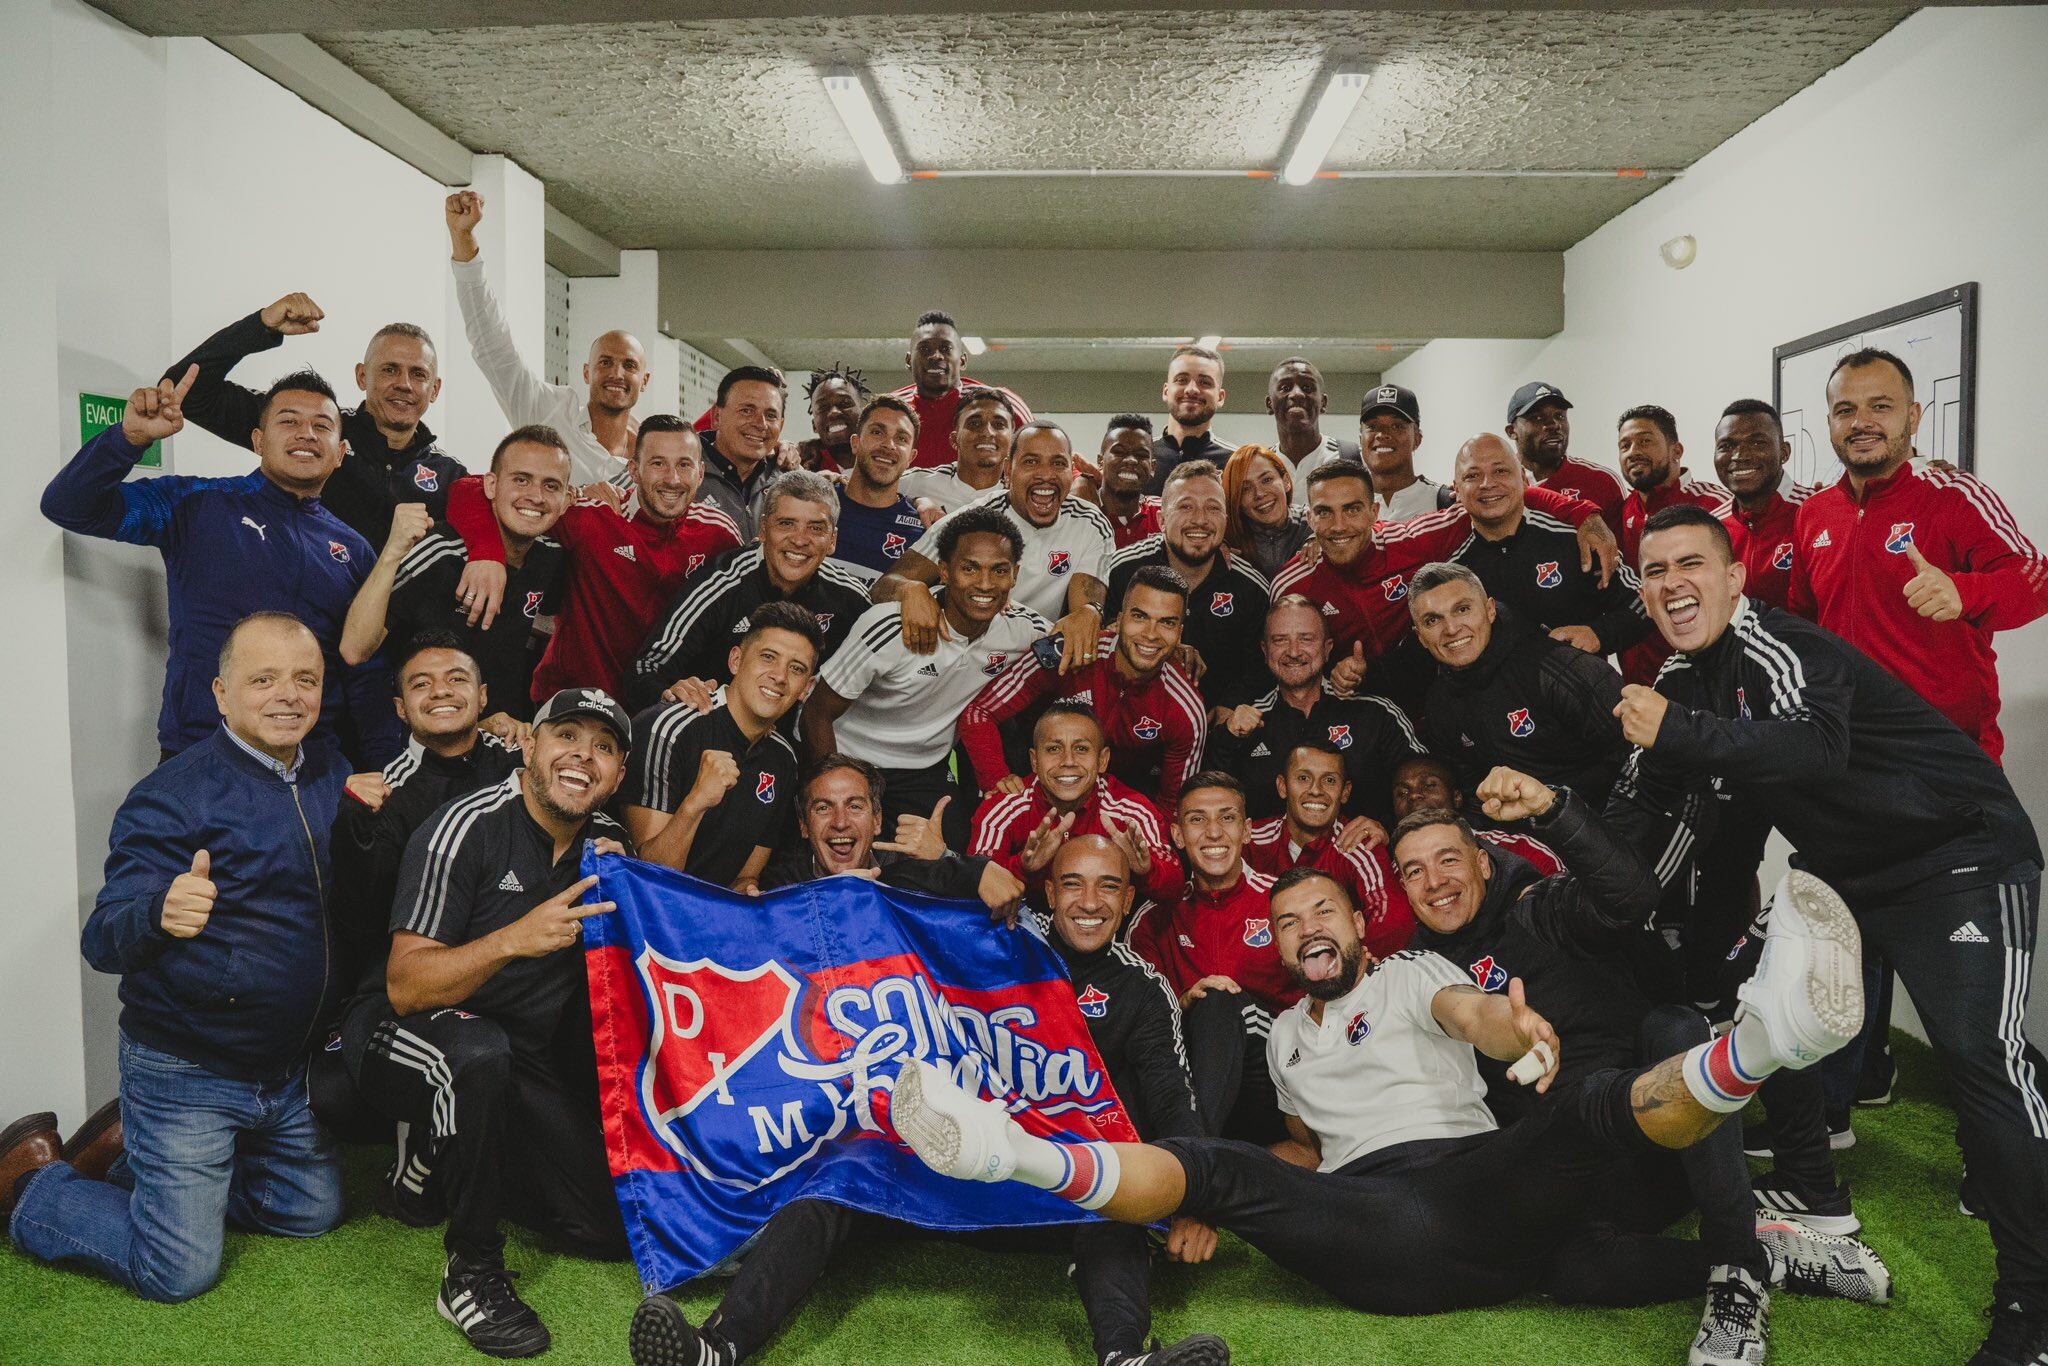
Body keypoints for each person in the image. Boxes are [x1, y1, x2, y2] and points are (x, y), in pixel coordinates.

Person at [888, 855, 1892, 1343]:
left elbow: (1473, 1014)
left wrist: (1515, 1028)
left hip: (1479, 1188)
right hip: (1370, 1233)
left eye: (1323, 911)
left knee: (1585, 1113)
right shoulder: (1282, 1038)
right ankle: (1005, 1150)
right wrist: (1227, 1193)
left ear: (1359, 927)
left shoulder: (1411, 973)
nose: (1306, 929)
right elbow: (1303, 1153)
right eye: (1288, 922)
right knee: (1213, 1165)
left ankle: (1765, 1041)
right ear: (1279, 947)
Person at [1624, 503, 2048, 1364]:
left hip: (1955, 853)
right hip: (1847, 871)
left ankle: (2033, 1310)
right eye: (1655, 571)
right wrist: (1552, 821)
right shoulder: (1681, 681)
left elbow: (1815, 747)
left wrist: (1681, 732)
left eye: (1691, 564)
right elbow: (1660, 807)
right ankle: (1813, 1188)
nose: (1673, 585)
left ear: (1734, 578)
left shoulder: (1782, 646)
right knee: (1762, 1001)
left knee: (1981, 1061)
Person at [628, 835, 1219, 1366]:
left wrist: (1195, 1202)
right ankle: (716, 1348)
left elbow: (1174, 1102)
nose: (1089, 902)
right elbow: (893, 887)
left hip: (1042, 1177)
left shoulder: (1142, 987)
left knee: (1111, 1202)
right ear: (1048, 891)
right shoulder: (998, 931)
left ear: (1128, 900)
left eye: (1108, 887)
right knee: (838, 1172)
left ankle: (1124, 1358)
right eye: (1072, 883)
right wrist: (971, 869)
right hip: (936, 1165)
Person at [1396, 779, 1887, 1363]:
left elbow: (1628, 895)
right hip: (1587, 1164)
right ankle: (1763, 1257)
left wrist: (1556, 809)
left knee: (1677, 1028)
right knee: (1569, 1271)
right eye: (1414, 871)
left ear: (1482, 862)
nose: (1435, 881)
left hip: (1670, 1126)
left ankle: (1736, 1274)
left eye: (1448, 860)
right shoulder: (1419, 973)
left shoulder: (1539, 907)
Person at [6, 614, 348, 1301]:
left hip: (283, 1073)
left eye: (304, 679)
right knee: (178, 1271)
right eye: (263, 679)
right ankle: (30, 1183)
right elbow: (102, 938)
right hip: (189, 1071)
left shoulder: (330, 772)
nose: (288, 694)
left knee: (311, 1212)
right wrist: (159, 911)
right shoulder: (171, 795)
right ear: (221, 694)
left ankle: (143, 1162)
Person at [41, 365, 402, 766]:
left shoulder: (354, 550)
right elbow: (69, 506)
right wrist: (129, 439)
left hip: (312, 766)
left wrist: (385, 771)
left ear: (339, 453)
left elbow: (367, 676)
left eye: (322, 425)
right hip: (201, 755)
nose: (307, 434)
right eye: (289, 421)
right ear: (258, 440)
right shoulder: (196, 503)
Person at [1789, 347, 2048, 763]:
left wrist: (1964, 593)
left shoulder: (1955, 495)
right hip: (1847, 746)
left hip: (1943, 751)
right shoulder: (1813, 513)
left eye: (1880, 406)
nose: (1861, 422)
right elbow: (1803, 622)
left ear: (1913, 417)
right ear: (1830, 422)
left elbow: (2036, 576)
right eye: (1845, 410)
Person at [1271, 461, 1615, 718]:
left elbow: (1493, 498)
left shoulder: (1413, 541)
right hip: (1358, 717)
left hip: (1441, 704)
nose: (1339, 525)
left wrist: (1585, 514)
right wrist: (1334, 678)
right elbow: (1283, 665)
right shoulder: (1291, 585)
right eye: (1324, 513)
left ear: (1374, 512)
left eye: (1352, 509)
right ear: (1309, 519)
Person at [443, 414, 742, 703]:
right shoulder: (594, 516)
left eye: (684, 465)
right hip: (568, 703)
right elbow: (469, 488)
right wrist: (488, 554)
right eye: (657, 463)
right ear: (633, 470)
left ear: (700, 473)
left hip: (659, 708)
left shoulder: (720, 534)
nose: (672, 479)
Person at [804, 506, 1050, 847]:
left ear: (1014, 575)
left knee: (952, 850)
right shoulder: (890, 626)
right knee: (838, 849)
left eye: (999, 571)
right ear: (945, 571)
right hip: (848, 755)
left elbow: (1072, 641)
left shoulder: (1022, 630)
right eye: (969, 568)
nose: (985, 583)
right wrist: (836, 785)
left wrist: (1086, 613)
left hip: (923, 769)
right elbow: (816, 713)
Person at [161, 292, 465, 546]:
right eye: (389, 370)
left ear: (435, 389)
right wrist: (260, 326)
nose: (404, 384)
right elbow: (185, 390)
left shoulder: (452, 477)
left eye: (418, 374)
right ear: (362, 376)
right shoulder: (316, 428)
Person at [329, 631, 525, 995]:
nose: (440, 691)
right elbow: (362, 928)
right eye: (421, 684)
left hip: (526, 975)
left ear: (482, 696)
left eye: (457, 679)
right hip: (430, 986)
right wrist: (355, 829)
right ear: (401, 708)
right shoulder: (383, 798)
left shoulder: (525, 762)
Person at [344, 426, 574, 726]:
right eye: (521, 480)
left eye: (551, 486)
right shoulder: (441, 553)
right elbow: (354, 649)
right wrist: (391, 553)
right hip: (423, 734)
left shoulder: (552, 557)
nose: (535, 496)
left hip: (503, 735)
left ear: (566, 499)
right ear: (490, 485)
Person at [959, 565, 1207, 811]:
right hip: (1037, 787)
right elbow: (979, 712)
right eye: (1140, 617)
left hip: (1118, 806)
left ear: (1179, 633)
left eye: (1166, 623)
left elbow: (1174, 807)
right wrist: (997, 779)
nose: (1151, 634)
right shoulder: (1064, 648)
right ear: (1120, 620)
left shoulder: (1187, 708)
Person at [1128, 773, 1292, 1143]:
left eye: (1227, 818)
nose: (1214, 833)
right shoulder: (1153, 920)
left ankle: (1192, 1153)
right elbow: (1142, 1026)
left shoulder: (1283, 902)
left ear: (1247, 831)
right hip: (1190, 1078)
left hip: (1275, 1076)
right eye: (1197, 819)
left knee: (1219, 999)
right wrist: (1182, 1003)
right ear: (1177, 835)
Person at [627, 470, 873, 713]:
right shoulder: (721, 583)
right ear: (763, 528)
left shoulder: (852, 601)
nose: (799, 540)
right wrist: (670, 695)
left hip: (794, 735)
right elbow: (645, 669)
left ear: (832, 540)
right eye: (786, 524)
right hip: (710, 726)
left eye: (816, 528)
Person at [447, 190, 646, 488]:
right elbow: (493, 345)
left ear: (645, 380)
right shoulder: (548, 413)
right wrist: (463, 238)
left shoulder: (653, 456)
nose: (617, 373)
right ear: (586, 372)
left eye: (629, 365)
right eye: (605, 362)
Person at [882, 421, 1112, 673]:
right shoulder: (971, 521)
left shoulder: (1090, 523)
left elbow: (1082, 613)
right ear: (1008, 470)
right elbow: (886, 585)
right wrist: (911, 590)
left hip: (1033, 660)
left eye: (1058, 463)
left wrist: (1090, 611)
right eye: (1031, 461)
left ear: (1071, 470)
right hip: (959, 659)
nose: (1046, 474)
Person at [622, 603, 820, 891]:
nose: (779, 676)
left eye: (796, 668)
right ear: (736, 660)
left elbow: (745, 877)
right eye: (768, 657)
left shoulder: (784, 760)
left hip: (713, 913)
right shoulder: (667, 728)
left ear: (806, 688)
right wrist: (697, 802)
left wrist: (747, 891)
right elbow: (650, 878)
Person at [1408, 561, 1629, 803]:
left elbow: (1635, 756)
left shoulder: (1557, 669)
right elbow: (1471, 794)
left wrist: (1567, 815)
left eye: (1462, 609)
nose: (1451, 629)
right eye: (1432, 621)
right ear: (1420, 637)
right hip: (1516, 826)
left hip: (1605, 814)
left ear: (1490, 610)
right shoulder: (1439, 705)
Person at [1212, 596, 1425, 826]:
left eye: (1306, 639)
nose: (1294, 652)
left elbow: (1428, 787)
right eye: (1280, 640)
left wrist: (1386, 830)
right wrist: (1226, 738)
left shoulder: (1375, 713)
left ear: (1327, 649)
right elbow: (1210, 804)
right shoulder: (1244, 726)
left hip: (1367, 848)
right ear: (1265, 651)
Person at [1450, 433, 1650, 657]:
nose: (1487, 484)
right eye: (1472, 475)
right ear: (1457, 489)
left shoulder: (1574, 541)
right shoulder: (1453, 569)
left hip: (1580, 678)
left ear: (1524, 479)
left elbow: (1644, 602)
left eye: (1500, 471)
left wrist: (1598, 634)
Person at [970, 701, 1185, 908]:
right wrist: (1023, 867)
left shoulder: (1131, 810)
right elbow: (974, 892)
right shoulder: (1004, 807)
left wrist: (1147, 871)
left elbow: (1175, 889)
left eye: (1081, 748)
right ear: (1034, 761)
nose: (1068, 761)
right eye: (1054, 749)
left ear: (1102, 760)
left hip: (1100, 922)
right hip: (1019, 923)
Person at [1107, 459, 1272, 717]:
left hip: (1217, 728)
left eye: (1213, 508)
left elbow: (1260, 668)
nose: (1200, 519)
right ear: (1161, 520)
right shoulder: (1121, 570)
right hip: (1126, 721)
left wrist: (1231, 705)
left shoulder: (1252, 587)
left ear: (1225, 520)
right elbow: (1097, 641)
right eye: (1186, 506)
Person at [757, 755, 1025, 912]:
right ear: (804, 826)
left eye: (854, 806)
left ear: (877, 821)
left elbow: (962, 883)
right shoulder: (778, 887)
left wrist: (969, 866)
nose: (840, 822)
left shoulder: (904, 870)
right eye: (823, 808)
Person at [1242, 742, 1410, 962]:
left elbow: (1393, 918)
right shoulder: (1251, 840)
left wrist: (1350, 961)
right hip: (1260, 972)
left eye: (1329, 780)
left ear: (1345, 792)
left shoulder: (1357, 843)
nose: (1316, 790)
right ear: (1283, 786)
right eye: (1303, 778)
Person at [1615, 405, 1731, 686]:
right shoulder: (1625, 508)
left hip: (1704, 676)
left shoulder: (1715, 505)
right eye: (1625, 445)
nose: (1633, 452)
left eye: (1645, 441)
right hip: (1639, 677)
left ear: (1676, 451)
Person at [885, 310, 1030, 470]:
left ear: (962, 360)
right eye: (924, 349)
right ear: (908, 360)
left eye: (946, 348)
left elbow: (1037, 458)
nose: (936, 356)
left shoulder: (1003, 406)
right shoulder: (889, 409)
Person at [1389, 754, 1564, 877]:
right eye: (1402, 793)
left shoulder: (1520, 850)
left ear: (1457, 798)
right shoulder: (1391, 878)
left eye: (1429, 785)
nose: (1414, 795)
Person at [1714, 399, 1814, 612]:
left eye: (1757, 443)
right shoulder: (1712, 525)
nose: (1739, 456)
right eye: (1726, 446)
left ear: (1784, 452)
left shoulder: (1815, 512)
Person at [828, 395, 928, 582]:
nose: (889, 445)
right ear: (855, 443)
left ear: (911, 458)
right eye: (877, 432)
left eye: (901, 438)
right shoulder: (819, 505)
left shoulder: (922, 531)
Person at [1507, 381, 1625, 532]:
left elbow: (1620, 546)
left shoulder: (1602, 481)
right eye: (1537, 418)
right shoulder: (1495, 485)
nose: (1553, 425)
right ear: (1512, 431)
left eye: (1560, 416)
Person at [899, 385, 1019, 518]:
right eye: (974, 423)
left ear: (1012, 440)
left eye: (999, 425)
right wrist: (913, 501)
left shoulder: (1022, 498)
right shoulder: (913, 483)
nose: (987, 432)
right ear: (954, 440)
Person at [698, 366, 789, 538]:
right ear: (716, 417)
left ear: (781, 425)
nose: (760, 424)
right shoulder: (680, 473)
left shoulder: (790, 481)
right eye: (747, 411)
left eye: (770, 415)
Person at [1266, 356, 1359, 506]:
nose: (1297, 394)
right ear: (1269, 403)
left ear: (1323, 402)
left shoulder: (1352, 457)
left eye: (1307, 388)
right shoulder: (1260, 465)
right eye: (1285, 388)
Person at [1220, 443, 1311, 581]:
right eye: (1245, 488)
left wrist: (1322, 538)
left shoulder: (1315, 523)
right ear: (1236, 499)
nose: (1259, 494)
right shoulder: (1226, 538)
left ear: (1286, 481)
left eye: (1267, 480)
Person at [1148, 345, 1233, 492]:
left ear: (1220, 397)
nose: (1192, 389)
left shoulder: (1237, 462)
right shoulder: (1140, 458)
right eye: (1182, 380)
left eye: (1204, 382)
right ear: (1166, 392)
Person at [1357, 384, 1448, 522]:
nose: (1382, 435)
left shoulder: (1445, 502)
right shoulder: (1346, 503)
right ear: (1360, 439)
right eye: (1372, 426)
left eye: (1397, 426)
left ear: (1417, 438)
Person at [1097, 415, 1162, 547]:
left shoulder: (1165, 513)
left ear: (1152, 467)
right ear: (1100, 461)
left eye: (1141, 455)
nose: (1131, 460)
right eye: (1119, 452)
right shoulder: (1079, 513)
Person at [797, 364, 869, 475]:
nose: (833, 412)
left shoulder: (887, 459)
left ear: (865, 415)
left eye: (845, 403)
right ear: (814, 425)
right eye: (823, 407)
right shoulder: (799, 466)